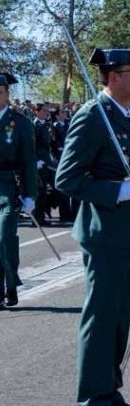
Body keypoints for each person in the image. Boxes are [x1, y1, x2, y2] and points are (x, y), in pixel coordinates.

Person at [54, 48, 130, 406]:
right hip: (106, 235)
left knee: (117, 319)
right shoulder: (93, 116)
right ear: (114, 77)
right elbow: (67, 179)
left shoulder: (127, 117)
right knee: (100, 319)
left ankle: (110, 394)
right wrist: (116, 192)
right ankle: (93, 401)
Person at [0, 73, 37, 309]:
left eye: (0, 92)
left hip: (9, 188)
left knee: (4, 237)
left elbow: (28, 161)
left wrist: (30, 194)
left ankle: (10, 285)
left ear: (6, 93)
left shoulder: (20, 122)